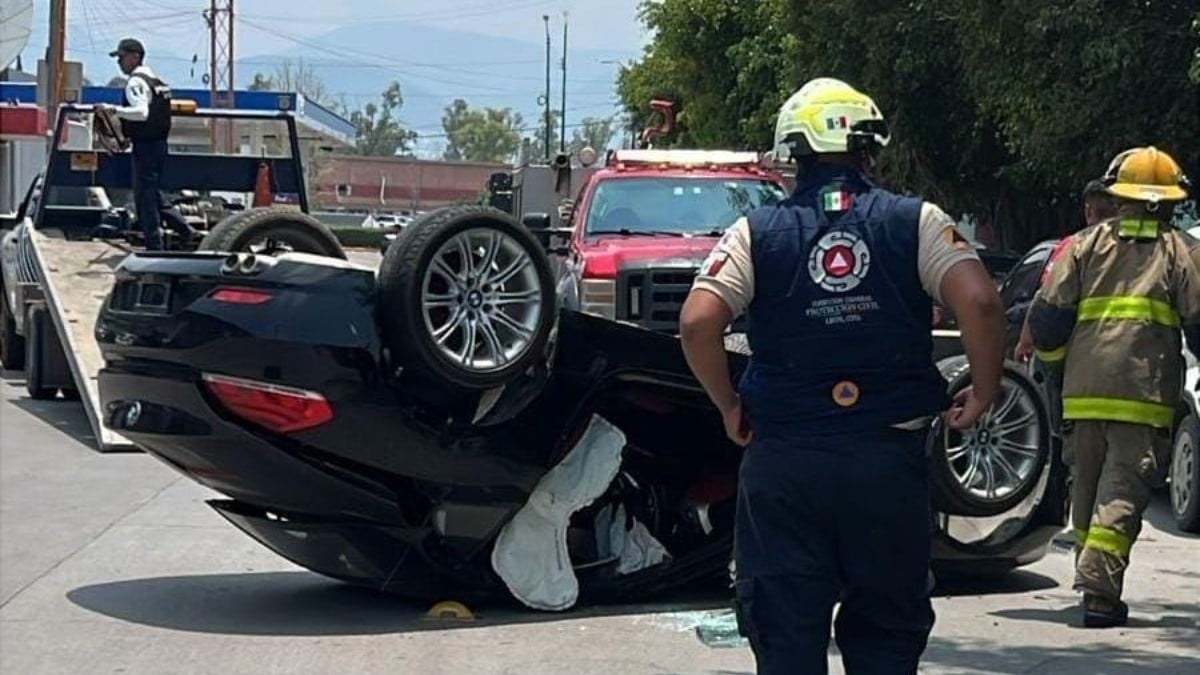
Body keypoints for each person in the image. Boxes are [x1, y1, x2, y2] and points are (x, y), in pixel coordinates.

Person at [678, 77, 1006, 674]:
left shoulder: (755, 232)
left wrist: (728, 404)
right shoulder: (919, 222)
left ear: (792, 155)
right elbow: (981, 302)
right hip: (887, 464)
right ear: (867, 150)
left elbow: (699, 323)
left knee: (785, 636)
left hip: (785, 465)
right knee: (885, 637)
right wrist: (984, 390)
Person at [1027, 146, 1200, 627]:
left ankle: (1090, 578)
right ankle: (1100, 592)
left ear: (1117, 194)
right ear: (1168, 201)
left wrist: (1061, 373)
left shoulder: (1084, 246)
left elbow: (1046, 322)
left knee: (1086, 492)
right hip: (1142, 401)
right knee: (1121, 492)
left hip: (1083, 396)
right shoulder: (1181, 252)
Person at [98, 38, 192, 250]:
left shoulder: (135, 82)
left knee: (145, 197)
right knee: (152, 190)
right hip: (159, 144)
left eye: (121, 57)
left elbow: (141, 113)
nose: (119, 63)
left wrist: (113, 110)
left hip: (146, 146)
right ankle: (184, 229)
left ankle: (154, 244)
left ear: (135, 57)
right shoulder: (156, 80)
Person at [1014, 179, 1118, 363]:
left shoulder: (1073, 247)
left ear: (1088, 211)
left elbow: (1047, 298)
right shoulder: (1144, 250)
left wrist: (1026, 341)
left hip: (1078, 357)